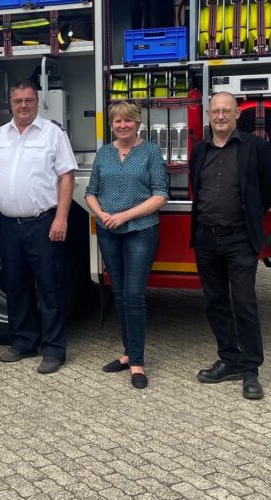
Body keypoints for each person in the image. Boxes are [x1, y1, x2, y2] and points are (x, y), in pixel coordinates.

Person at [0, 81, 77, 375]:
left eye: (28, 100)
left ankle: (53, 349)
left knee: (49, 287)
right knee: (15, 285)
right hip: (8, 225)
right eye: (17, 101)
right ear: (10, 103)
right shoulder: (0, 135)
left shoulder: (52, 134)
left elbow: (66, 176)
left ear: (38, 102)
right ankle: (23, 342)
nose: (23, 106)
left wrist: (61, 217)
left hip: (43, 224)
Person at [189, 91, 271, 400]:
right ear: (209, 115)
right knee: (215, 303)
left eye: (227, 111)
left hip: (239, 239)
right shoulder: (199, 150)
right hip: (205, 238)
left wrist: (247, 219)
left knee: (244, 304)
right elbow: (195, 186)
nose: (221, 116)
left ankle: (250, 370)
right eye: (216, 111)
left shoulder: (257, 148)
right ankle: (229, 359)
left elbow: (268, 191)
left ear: (238, 114)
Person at [85, 102, 168, 389]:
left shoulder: (150, 152)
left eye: (128, 121)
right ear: (111, 125)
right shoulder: (104, 153)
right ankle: (127, 353)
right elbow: (90, 192)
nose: (122, 126)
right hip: (109, 231)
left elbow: (160, 195)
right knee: (118, 294)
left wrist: (125, 216)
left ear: (137, 123)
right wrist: (101, 214)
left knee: (134, 295)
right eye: (117, 121)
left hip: (140, 230)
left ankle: (137, 363)